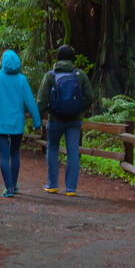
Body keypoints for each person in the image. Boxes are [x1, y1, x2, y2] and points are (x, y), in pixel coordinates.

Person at [37, 44, 93, 196]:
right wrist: (79, 109)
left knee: (52, 148)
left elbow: (41, 101)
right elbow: (90, 97)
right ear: (72, 59)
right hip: (74, 120)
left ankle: (52, 184)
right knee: (73, 151)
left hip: (55, 119)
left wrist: (39, 115)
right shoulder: (79, 75)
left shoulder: (50, 76)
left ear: (58, 58)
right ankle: (71, 189)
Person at [0, 49, 41, 197]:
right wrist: (37, 122)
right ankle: (13, 185)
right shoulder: (22, 79)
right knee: (15, 153)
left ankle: (8, 187)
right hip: (16, 123)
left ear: (2, 61)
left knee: (4, 155)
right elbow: (30, 102)